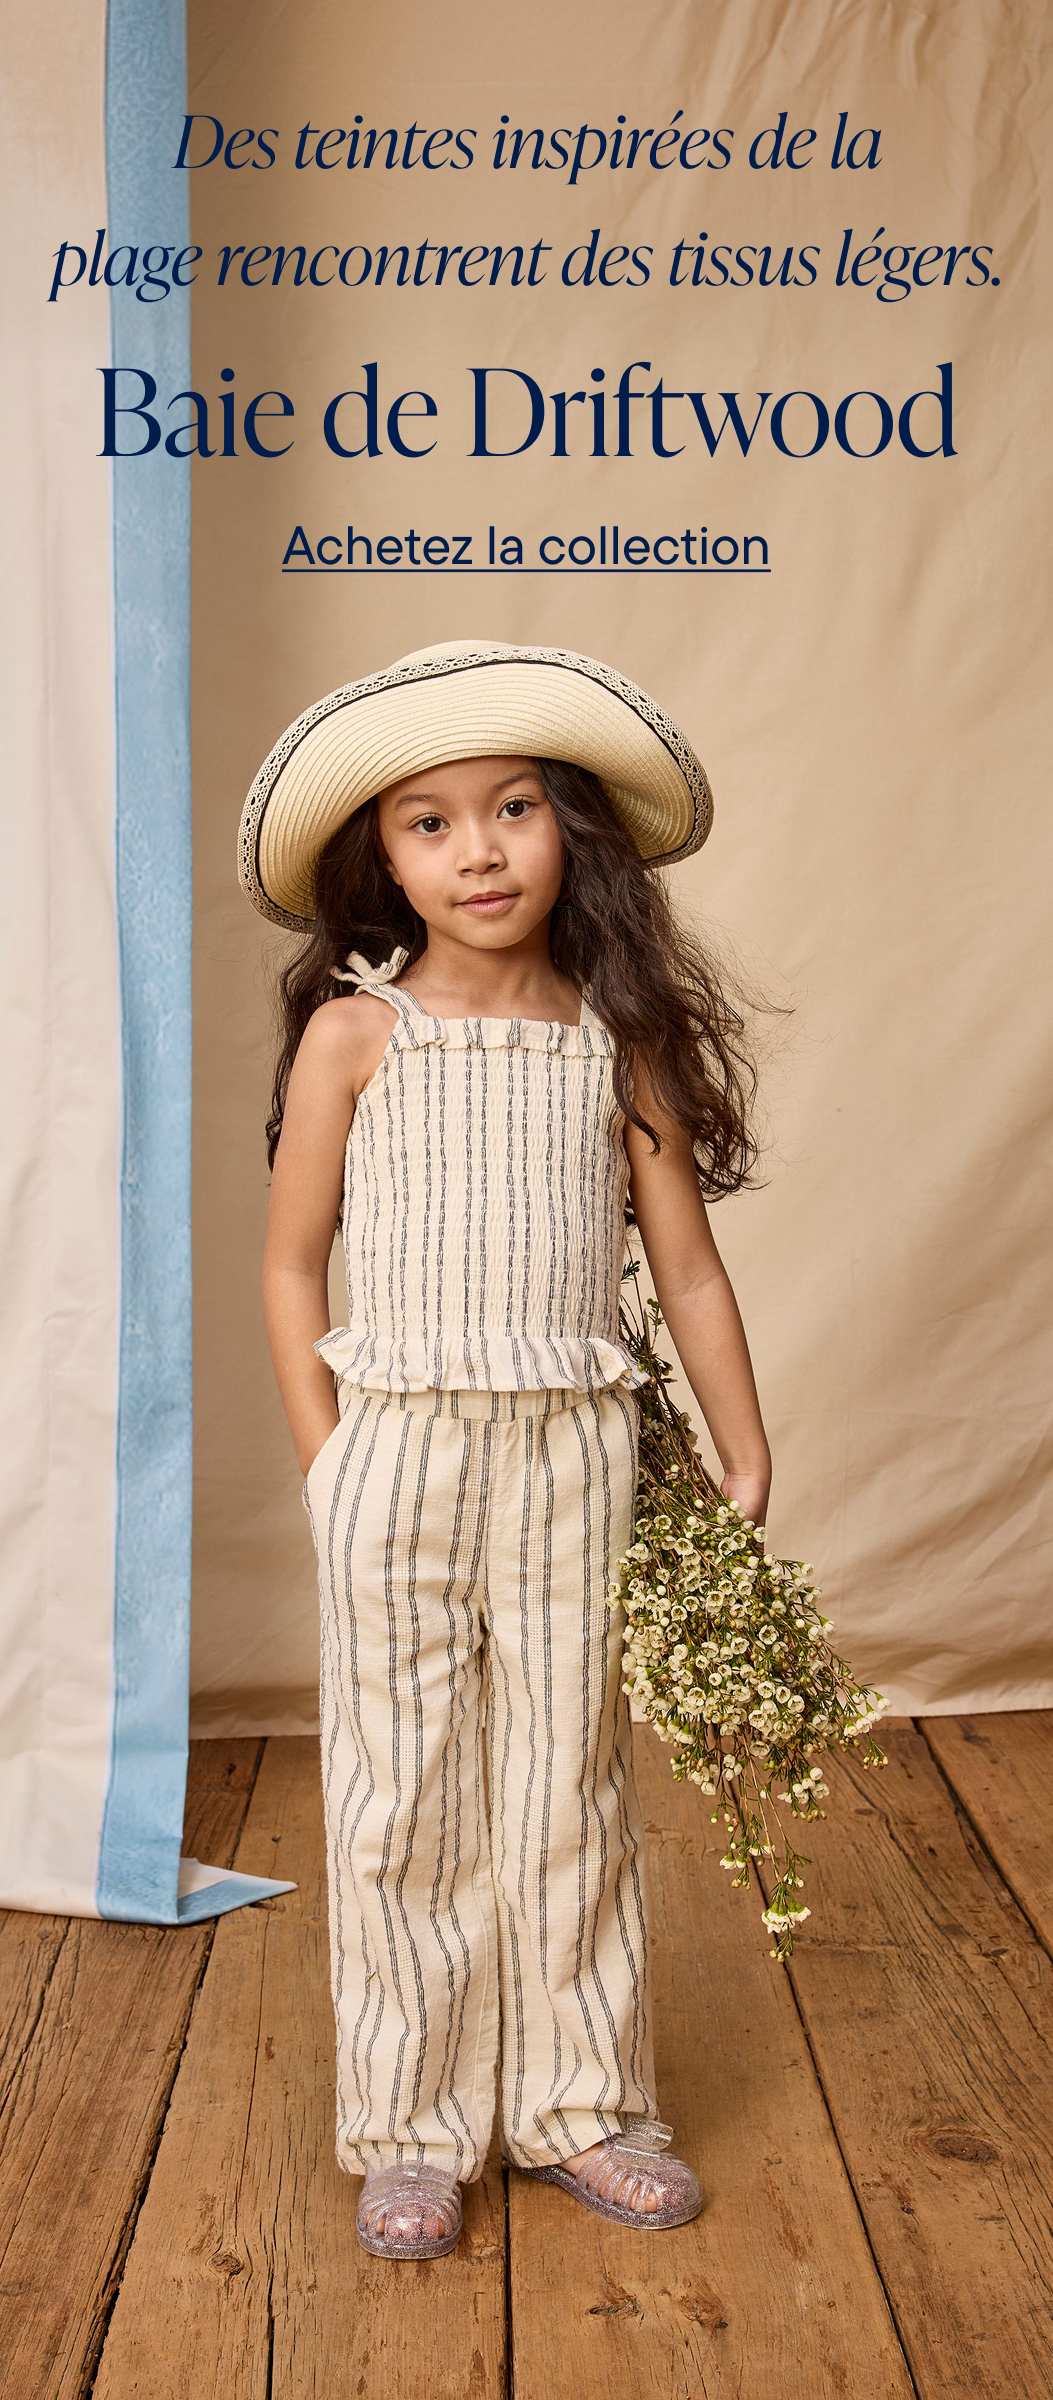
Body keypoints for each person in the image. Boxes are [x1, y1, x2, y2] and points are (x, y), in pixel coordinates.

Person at [236, 636, 774, 2260]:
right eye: (429, 821)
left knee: (568, 1786)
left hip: (571, 1460)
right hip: (397, 1455)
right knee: (399, 1794)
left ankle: (580, 2105)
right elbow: (288, 1261)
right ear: (377, 859)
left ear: (572, 832)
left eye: (515, 807)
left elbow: (682, 1266)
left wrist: (740, 1453)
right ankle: (409, 2125)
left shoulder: (611, 1042)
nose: (477, 849)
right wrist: (330, 1456)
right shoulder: (357, 1034)